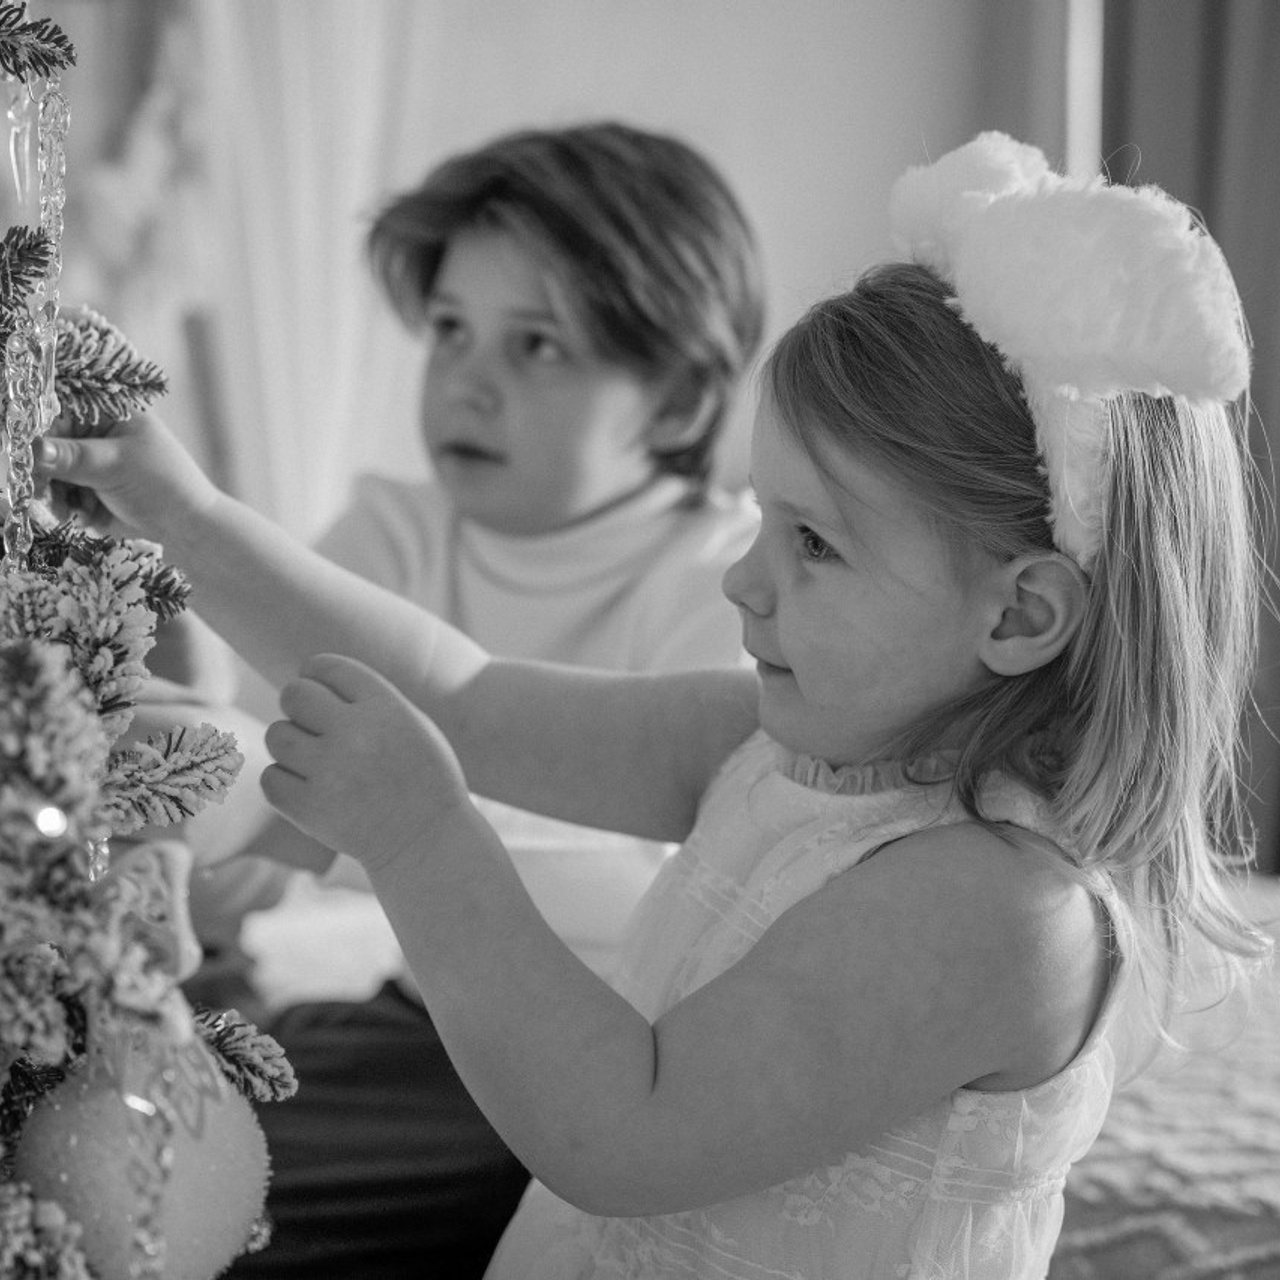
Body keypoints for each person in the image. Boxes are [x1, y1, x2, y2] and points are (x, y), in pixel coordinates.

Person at [41, 132, 1272, 1280]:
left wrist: (421, 838)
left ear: (1016, 616)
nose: (745, 576)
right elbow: (462, 692)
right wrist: (180, 511)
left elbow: (620, 1129)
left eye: (812, 545)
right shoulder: (773, 746)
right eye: (761, 518)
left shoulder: (999, 907)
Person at [183, 120, 764, 1278]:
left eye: (538, 345)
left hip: (598, 1040)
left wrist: (310, 826)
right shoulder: (390, 533)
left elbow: (657, 882)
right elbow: (254, 757)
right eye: (449, 329)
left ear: (677, 399)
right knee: (119, 1089)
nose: (468, 379)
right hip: (416, 1008)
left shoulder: (732, 583)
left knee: (183, 1179)